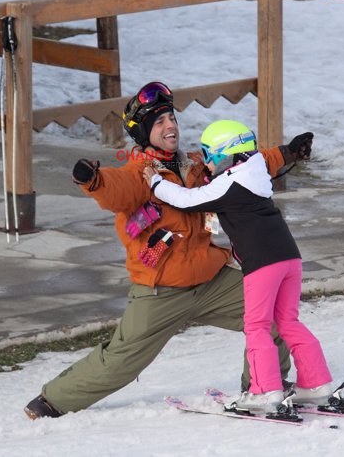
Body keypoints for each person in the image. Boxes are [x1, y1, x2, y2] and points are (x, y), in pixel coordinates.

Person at [24, 82, 311, 419]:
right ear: (145, 133)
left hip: (210, 280)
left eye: (171, 118)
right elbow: (114, 189)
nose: (170, 125)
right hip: (160, 290)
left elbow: (244, 164)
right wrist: (93, 180)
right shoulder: (138, 176)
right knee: (122, 358)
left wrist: (287, 152)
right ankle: (52, 400)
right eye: (159, 123)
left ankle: (264, 388)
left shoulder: (195, 166)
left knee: (272, 318)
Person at [142, 119, 333, 416]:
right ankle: (317, 384)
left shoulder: (229, 184)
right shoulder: (254, 172)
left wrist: (156, 182)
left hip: (262, 265)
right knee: (288, 323)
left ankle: (264, 390)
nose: (206, 163)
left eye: (208, 154)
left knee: (256, 326)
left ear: (222, 153)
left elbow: (186, 199)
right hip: (290, 258)